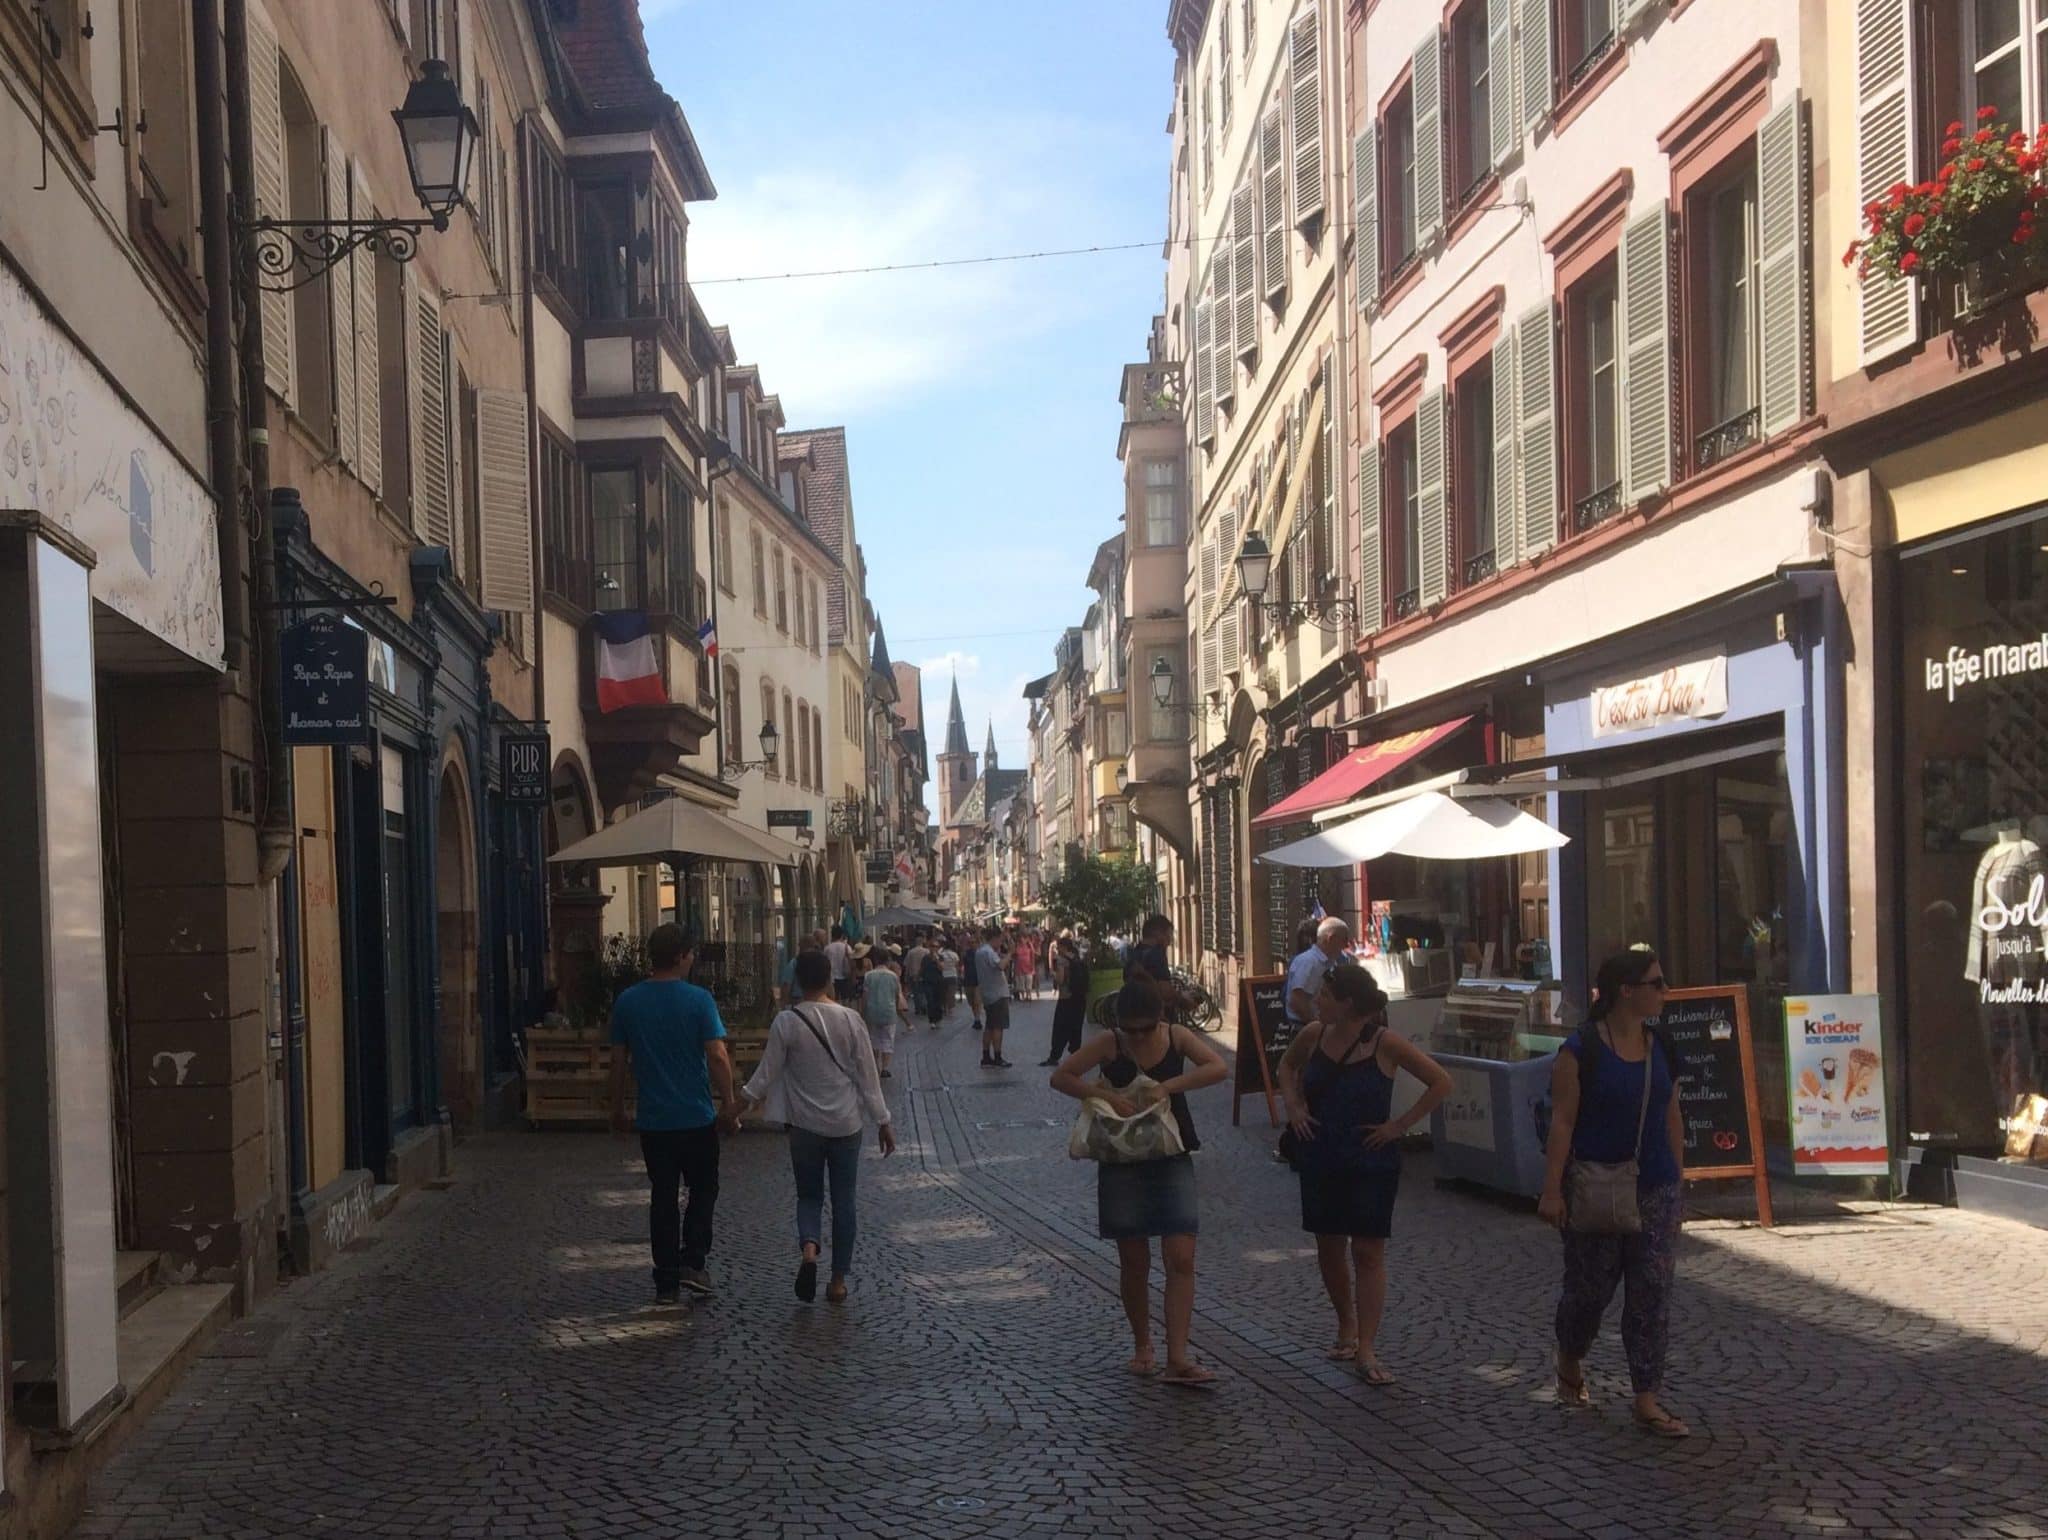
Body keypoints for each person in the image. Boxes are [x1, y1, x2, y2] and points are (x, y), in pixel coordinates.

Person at [1538, 948, 1690, 1438]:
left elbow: (1671, 1113)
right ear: (1626, 991)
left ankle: (1647, 1397)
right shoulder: (1580, 1050)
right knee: (1590, 1291)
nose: (1665, 992)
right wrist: (1552, 1190)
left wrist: (1677, 1180)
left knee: (1652, 1291)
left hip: (1654, 1185)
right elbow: (1562, 1122)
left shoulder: (1662, 1044)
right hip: (1595, 1184)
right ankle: (1569, 1356)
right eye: (1657, 983)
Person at [1278, 963, 1451, 1385]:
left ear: (1347, 1003)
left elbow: (1440, 1081)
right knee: (1329, 1245)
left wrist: (1399, 1125)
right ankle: (1346, 1324)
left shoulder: (1384, 1043)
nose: (1317, 1000)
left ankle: (1367, 1347)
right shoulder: (1313, 1034)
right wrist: (1294, 1107)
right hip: (1322, 1152)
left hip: (1370, 1157)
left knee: (1368, 1251)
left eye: (1325, 995)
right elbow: (1286, 1067)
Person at [1050, 978, 1228, 1387]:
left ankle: (1177, 1356)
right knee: (1134, 1261)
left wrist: (1169, 1086)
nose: (1138, 1037)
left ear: (1159, 1018)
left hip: (1171, 1153)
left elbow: (1218, 1067)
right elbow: (1061, 1077)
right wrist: (1106, 1096)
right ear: (1119, 1023)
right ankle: (1143, 1344)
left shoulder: (1177, 1036)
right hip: (1122, 1160)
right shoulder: (1109, 1043)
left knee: (1181, 1257)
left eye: (1145, 1029)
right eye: (1130, 1030)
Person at [740, 950, 896, 1305]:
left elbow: (765, 1074)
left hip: (804, 1126)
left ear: (798, 981)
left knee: (809, 1196)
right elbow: (868, 1078)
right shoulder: (850, 1020)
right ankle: (838, 1280)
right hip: (846, 1125)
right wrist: (883, 1121)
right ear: (828, 979)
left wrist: (738, 1104)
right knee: (844, 1201)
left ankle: (809, 1250)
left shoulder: (786, 1022)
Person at [608, 924, 735, 1305]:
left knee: (663, 1196)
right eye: (691, 953)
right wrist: (729, 1102)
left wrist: (617, 1108)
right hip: (696, 1115)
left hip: (654, 1119)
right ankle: (693, 1261)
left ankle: (665, 1280)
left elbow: (618, 1061)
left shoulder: (628, 1001)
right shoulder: (699, 1000)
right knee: (703, 1188)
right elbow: (717, 1055)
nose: (693, 958)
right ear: (680, 956)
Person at [1286, 917, 1353, 1030]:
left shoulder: (1330, 962)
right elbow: (1297, 1001)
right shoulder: (1309, 962)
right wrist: (1316, 1025)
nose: (1346, 945)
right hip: (1305, 1027)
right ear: (1331, 938)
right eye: (1344, 939)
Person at [859, 946, 910, 1079]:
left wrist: (862, 1012)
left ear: (876, 960)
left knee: (874, 1039)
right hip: (889, 1011)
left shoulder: (869, 975)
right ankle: (885, 1068)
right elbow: (897, 995)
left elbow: (865, 996)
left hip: (872, 1011)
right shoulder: (893, 976)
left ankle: (876, 1065)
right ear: (888, 960)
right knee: (888, 1040)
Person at [1123, 914, 1191, 1012]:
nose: (1169, 941)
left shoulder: (1134, 954)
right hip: (1155, 1016)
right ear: (1158, 934)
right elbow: (1164, 990)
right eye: (1168, 935)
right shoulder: (1156, 954)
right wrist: (1183, 1000)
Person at [1041, 935, 1089, 1066]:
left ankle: (1054, 1056)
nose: (1056, 950)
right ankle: (1076, 1054)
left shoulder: (1061, 960)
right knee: (1076, 1028)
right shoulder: (1077, 958)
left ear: (1063, 947)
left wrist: (1054, 974)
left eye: (1058, 947)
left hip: (1066, 998)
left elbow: (1061, 980)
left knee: (1060, 1029)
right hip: (1079, 998)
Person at [976, 925, 1013, 1067]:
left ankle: (986, 1056)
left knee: (989, 1026)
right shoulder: (989, 952)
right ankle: (998, 1057)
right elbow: (1001, 966)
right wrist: (1009, 954)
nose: (1001, 943)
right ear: (995, 938)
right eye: (1000, 940)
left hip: (988, 993)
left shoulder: (980, 951)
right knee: (998, 1027)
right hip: (997, 994)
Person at [825, 925, 854, 1004]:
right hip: (845, 977)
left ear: (832, 935)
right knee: (845, 1001)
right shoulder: (847, 947)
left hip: (832, 978)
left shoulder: (827, 948)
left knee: (833, 1001)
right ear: (842, 935)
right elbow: (851, 962)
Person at [903, 934, 930, 1019]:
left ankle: (918, 1008)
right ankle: (924, 1006)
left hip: (913, 975)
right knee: (924, 991)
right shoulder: (927, 951)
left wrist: (906, 975)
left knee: (916, 992)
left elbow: (907, 964)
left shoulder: (911, 952)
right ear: (922, 942)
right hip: (925, 975)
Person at [937, 936, 961, 1019]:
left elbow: (939, 966)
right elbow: (957, 965)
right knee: (951, 993)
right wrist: (958, 974)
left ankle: (945, 1008)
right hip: (953, 975)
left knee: (943, 993)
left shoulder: (941, 955)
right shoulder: (954, 954)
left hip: (943, 975)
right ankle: (951, 1010)